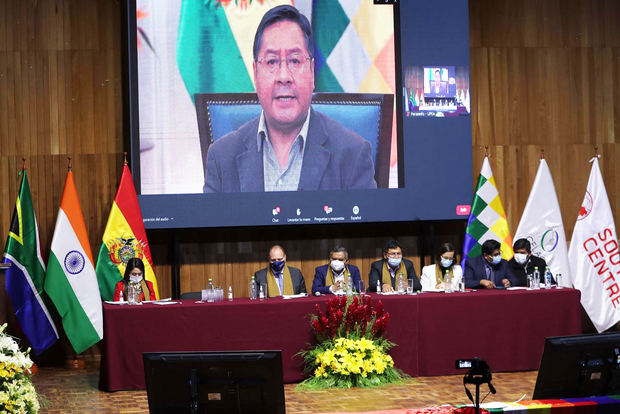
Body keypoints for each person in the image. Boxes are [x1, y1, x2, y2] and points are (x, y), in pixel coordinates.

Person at [204, 5, 377, 193]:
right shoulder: (221, 158)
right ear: (255, 74)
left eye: (295, 61)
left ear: (311, 71)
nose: (284, 76)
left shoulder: (352, 156)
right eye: (271, 62)